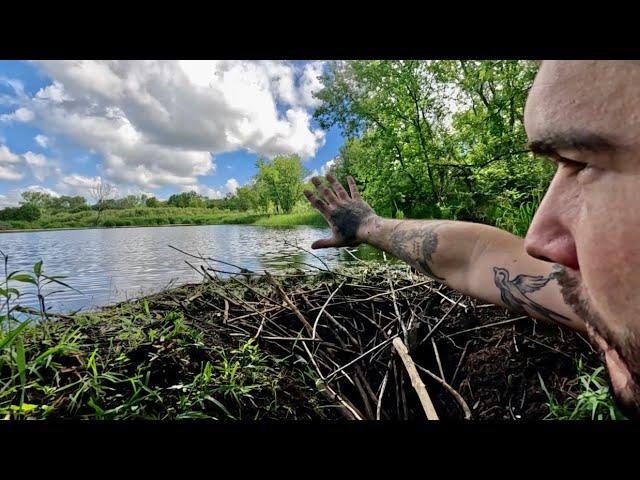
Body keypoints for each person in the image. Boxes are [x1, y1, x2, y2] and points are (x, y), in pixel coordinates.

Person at [303, 60, 640, 419]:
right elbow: (476, 256)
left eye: (581, 163)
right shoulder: (608, 300)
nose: (537, 240)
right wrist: (366, 225)